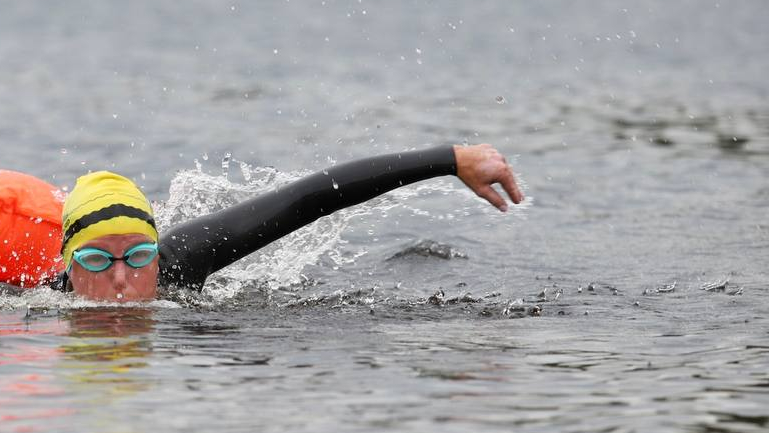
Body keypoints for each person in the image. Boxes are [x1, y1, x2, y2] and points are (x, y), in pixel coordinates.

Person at [58, 144, 522, 302]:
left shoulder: (182, 261)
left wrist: (449, 159)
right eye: (97, 260)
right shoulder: (39, 301)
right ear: (69, 266)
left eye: (138, 256)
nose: (121, 278)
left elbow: (307, 200)